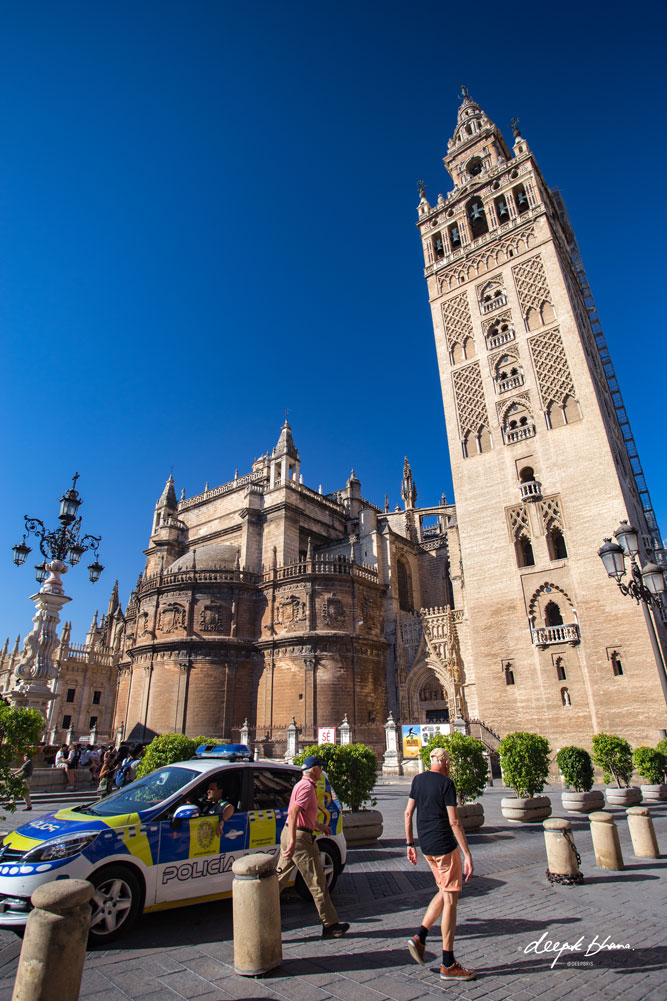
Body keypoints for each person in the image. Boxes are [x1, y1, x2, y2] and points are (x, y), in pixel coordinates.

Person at [404, 746, 475, 982]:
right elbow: (454, 821)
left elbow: (407, 813)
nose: (450, 767)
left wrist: (409, 844)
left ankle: (420, 935)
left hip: (426, 847)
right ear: (444, 763)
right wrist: (467, 854)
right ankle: (448, 963)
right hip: (445, 846)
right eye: (449, 763)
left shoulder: (417, 780)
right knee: (451, 901)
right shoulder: (446, 783)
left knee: (444, 890)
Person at [275, 755, 349, 939]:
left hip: (296, 834)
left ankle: (258, 907)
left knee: (279, 879)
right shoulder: (307, 787)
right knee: (317, 882)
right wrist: (293, 842)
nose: (322, 771)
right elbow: (293, 814)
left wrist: (318, 825)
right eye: (320, 768)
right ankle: (330, 924)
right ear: (314, 770)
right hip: (299, 839)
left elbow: (301, 814)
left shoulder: (303, 785)